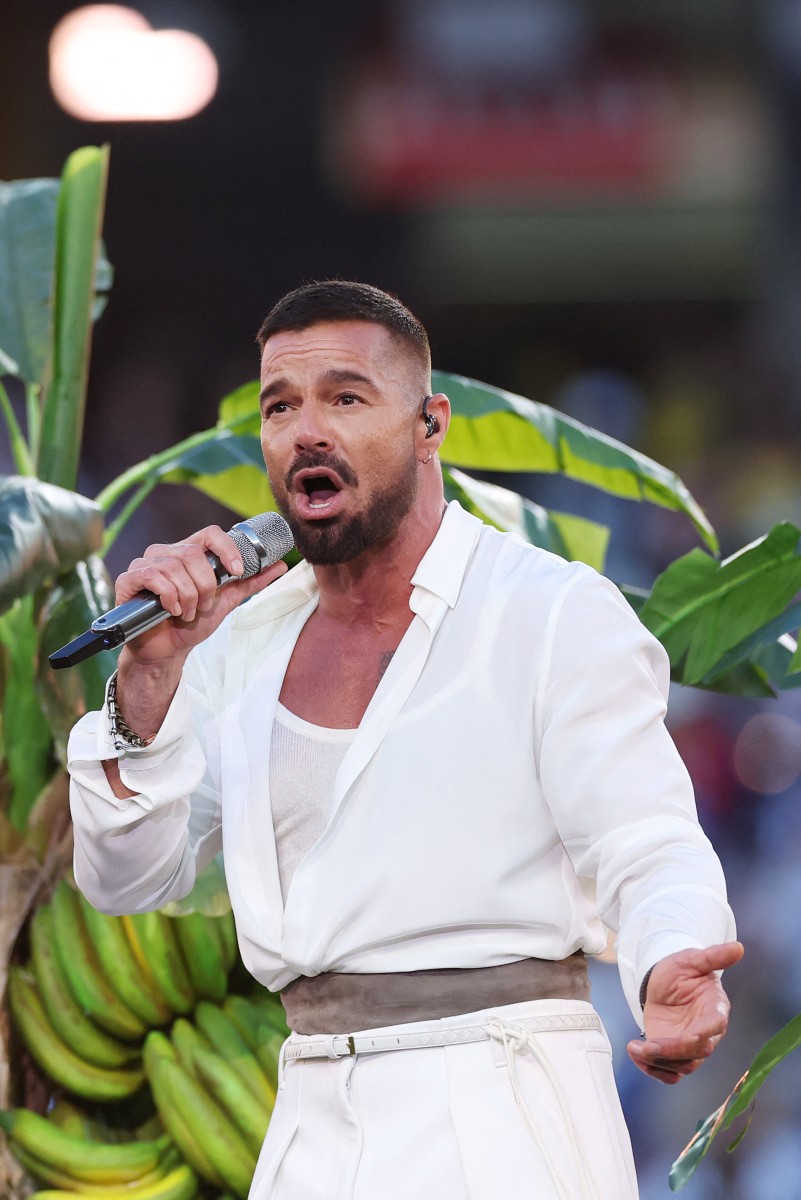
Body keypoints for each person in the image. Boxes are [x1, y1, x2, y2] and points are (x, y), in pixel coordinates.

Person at [68, 280, 742, 1200]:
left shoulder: (546, 611)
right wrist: (146, 684)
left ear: (430, 425)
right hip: (309, 1114)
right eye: (280, 406)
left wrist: (670, 956)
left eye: (345, 398)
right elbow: (126, 879)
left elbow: (645, 839)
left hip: (502, 1104)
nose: (306, 429)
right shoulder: (240, 643)